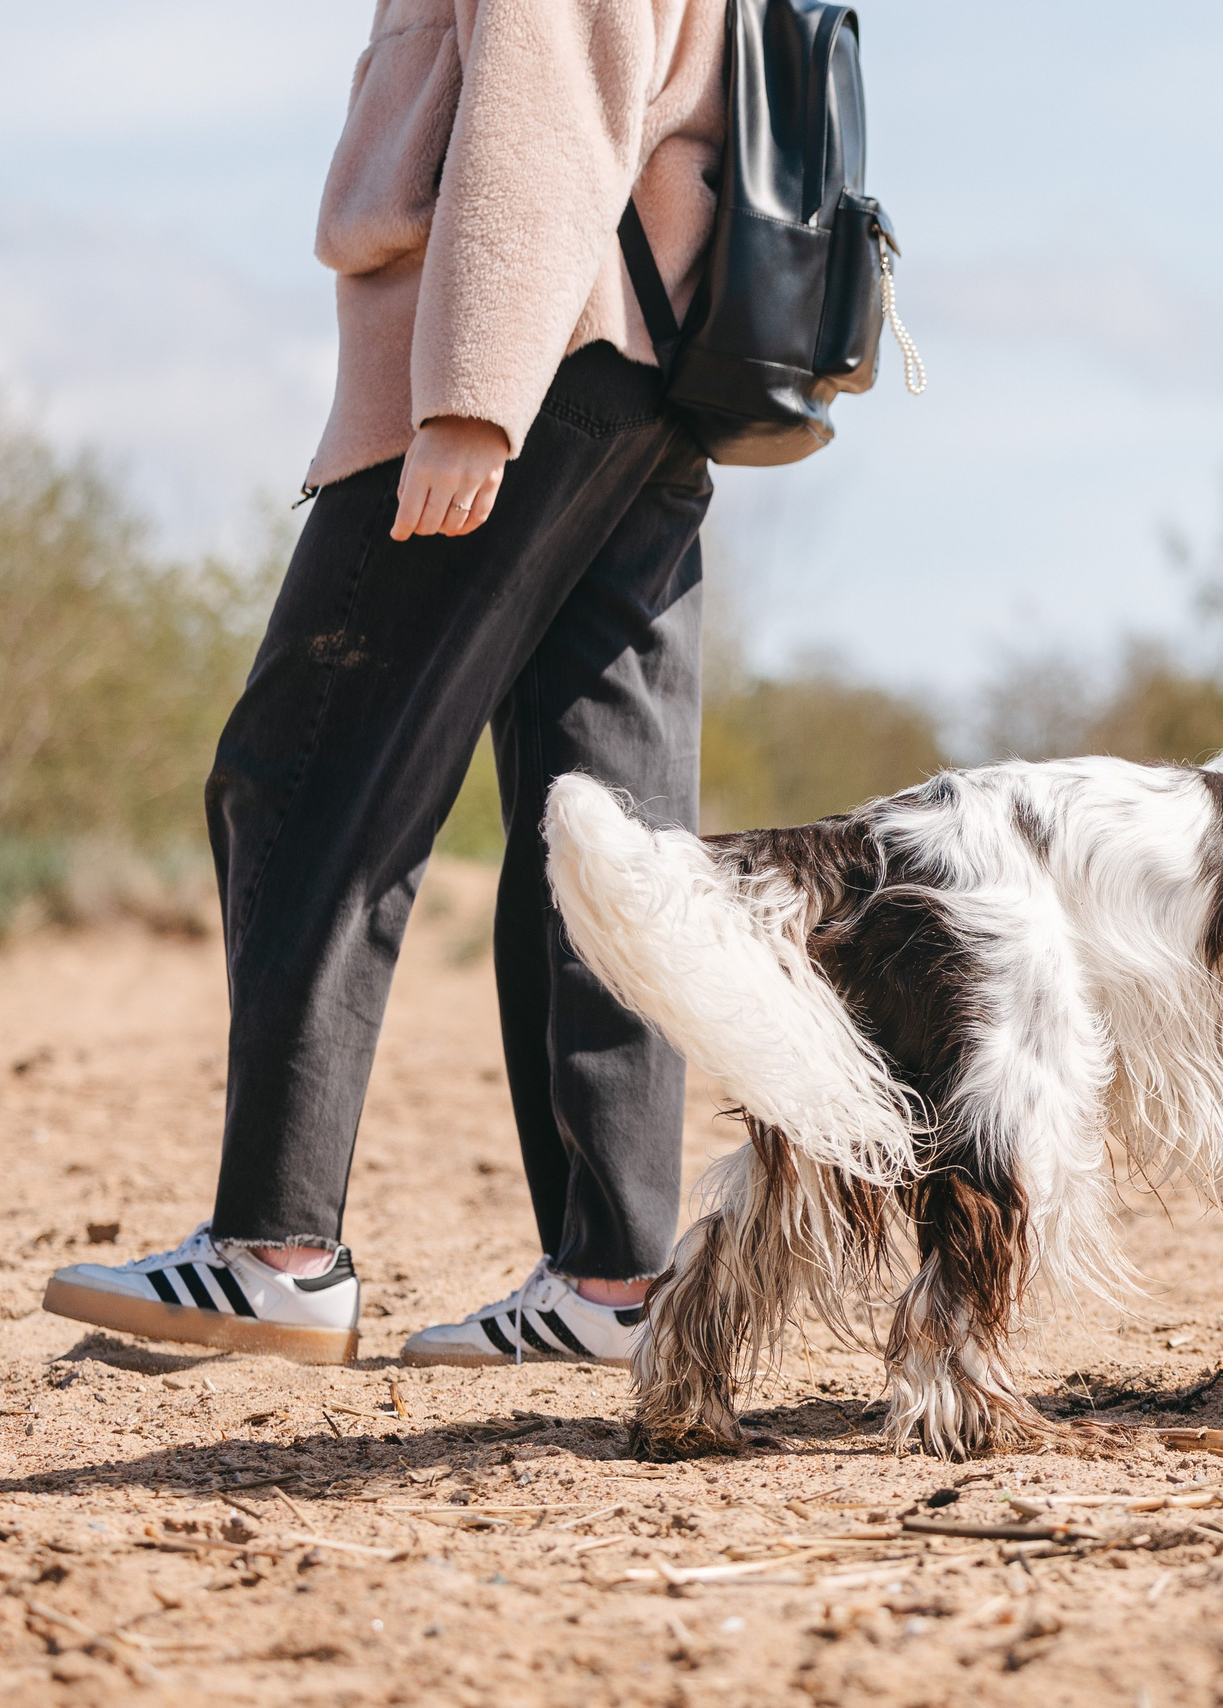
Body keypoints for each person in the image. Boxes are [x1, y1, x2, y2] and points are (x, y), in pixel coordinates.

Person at [41, 0, 730, 1369]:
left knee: (302, 766)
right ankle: (616, 1282)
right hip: (648, 363)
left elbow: (542, 94)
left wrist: (469, 399)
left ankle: (275, 1249)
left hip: (533, 359)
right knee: (597, 833)